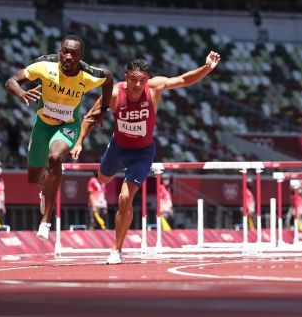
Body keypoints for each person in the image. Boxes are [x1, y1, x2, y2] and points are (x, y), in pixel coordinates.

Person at [70, 52, 220, 264]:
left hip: (142, 153)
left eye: (142, 80)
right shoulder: (113, 94)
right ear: (126, 77)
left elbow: (184, 80)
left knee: (125, 198)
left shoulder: (155, 87)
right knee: (103, 179)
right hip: (118, 148)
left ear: (148, 79)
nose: (138, 85)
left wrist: (206, 68)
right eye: (133, 80)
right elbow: (90, 118)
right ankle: (109, 170)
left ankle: (116, 249)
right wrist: (78, 142)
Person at [5, 35, 114, 241]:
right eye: (65, 51)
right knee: (33, 177)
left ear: (81, 56)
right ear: (60, 51)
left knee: (55, 157)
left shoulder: (88, 75)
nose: (68, 57)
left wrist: (104, 109)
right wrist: (21, 93)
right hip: (43, 125)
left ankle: (46, 221)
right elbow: (11, 81)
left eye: (74, 53)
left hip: (68, 125)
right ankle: (45, 189)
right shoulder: (45, 66)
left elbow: (108, 77)